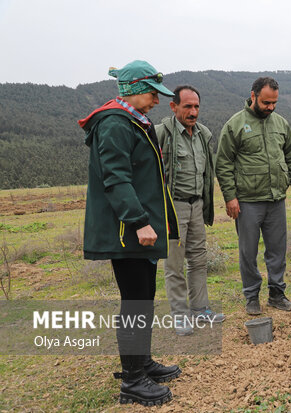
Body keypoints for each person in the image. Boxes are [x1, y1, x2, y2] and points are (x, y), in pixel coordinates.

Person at [79, 60, 181, 405]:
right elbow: (116, 178)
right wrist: (139, 221)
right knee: (135, 301)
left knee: (143, 298)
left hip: (138, 230)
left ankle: (142, 363)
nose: (156, 100)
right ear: (135, 90)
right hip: (128, 231)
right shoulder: (114, 124)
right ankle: (133, 381)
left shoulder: (133, 120)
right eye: (153, 93)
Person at [215, 77, 291, 315]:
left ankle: (277, 294)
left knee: (277, 250)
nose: (270, 107)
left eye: (274, 103)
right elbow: (223, 163)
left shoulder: (281, 124)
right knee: (248, 252)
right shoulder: (236, 124)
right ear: (253, 96)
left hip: (276, 199)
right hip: (247, 201)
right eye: (266, 102)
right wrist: (230, 197)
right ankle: (252, 296)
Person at [156, 85, 225, 336]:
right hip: (172, 206)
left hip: (197, 204)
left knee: (198, 259)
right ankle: (180, 316)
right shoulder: (161, 133)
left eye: (196, 106)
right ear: (173, 107)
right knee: (174, 263)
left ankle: (200, 309)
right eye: (187, 106)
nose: (193, 111)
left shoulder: (203, 134)